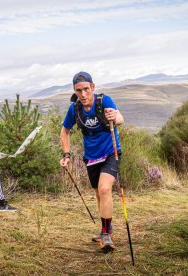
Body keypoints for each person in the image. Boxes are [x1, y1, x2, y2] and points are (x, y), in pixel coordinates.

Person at [59, 72, 124, 252]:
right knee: (98, 194)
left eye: (86, 89)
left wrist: (114, 117)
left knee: (105, 189)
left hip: (111, 152)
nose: (83, 94)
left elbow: (120, 119)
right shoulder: (75, 109)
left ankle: (105, 234)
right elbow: (65, 131)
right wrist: (66, 155)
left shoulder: (104, 101)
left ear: (93, 88)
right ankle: (108, 227)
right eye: (79, 90)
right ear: (75, 91)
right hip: (91, 157)